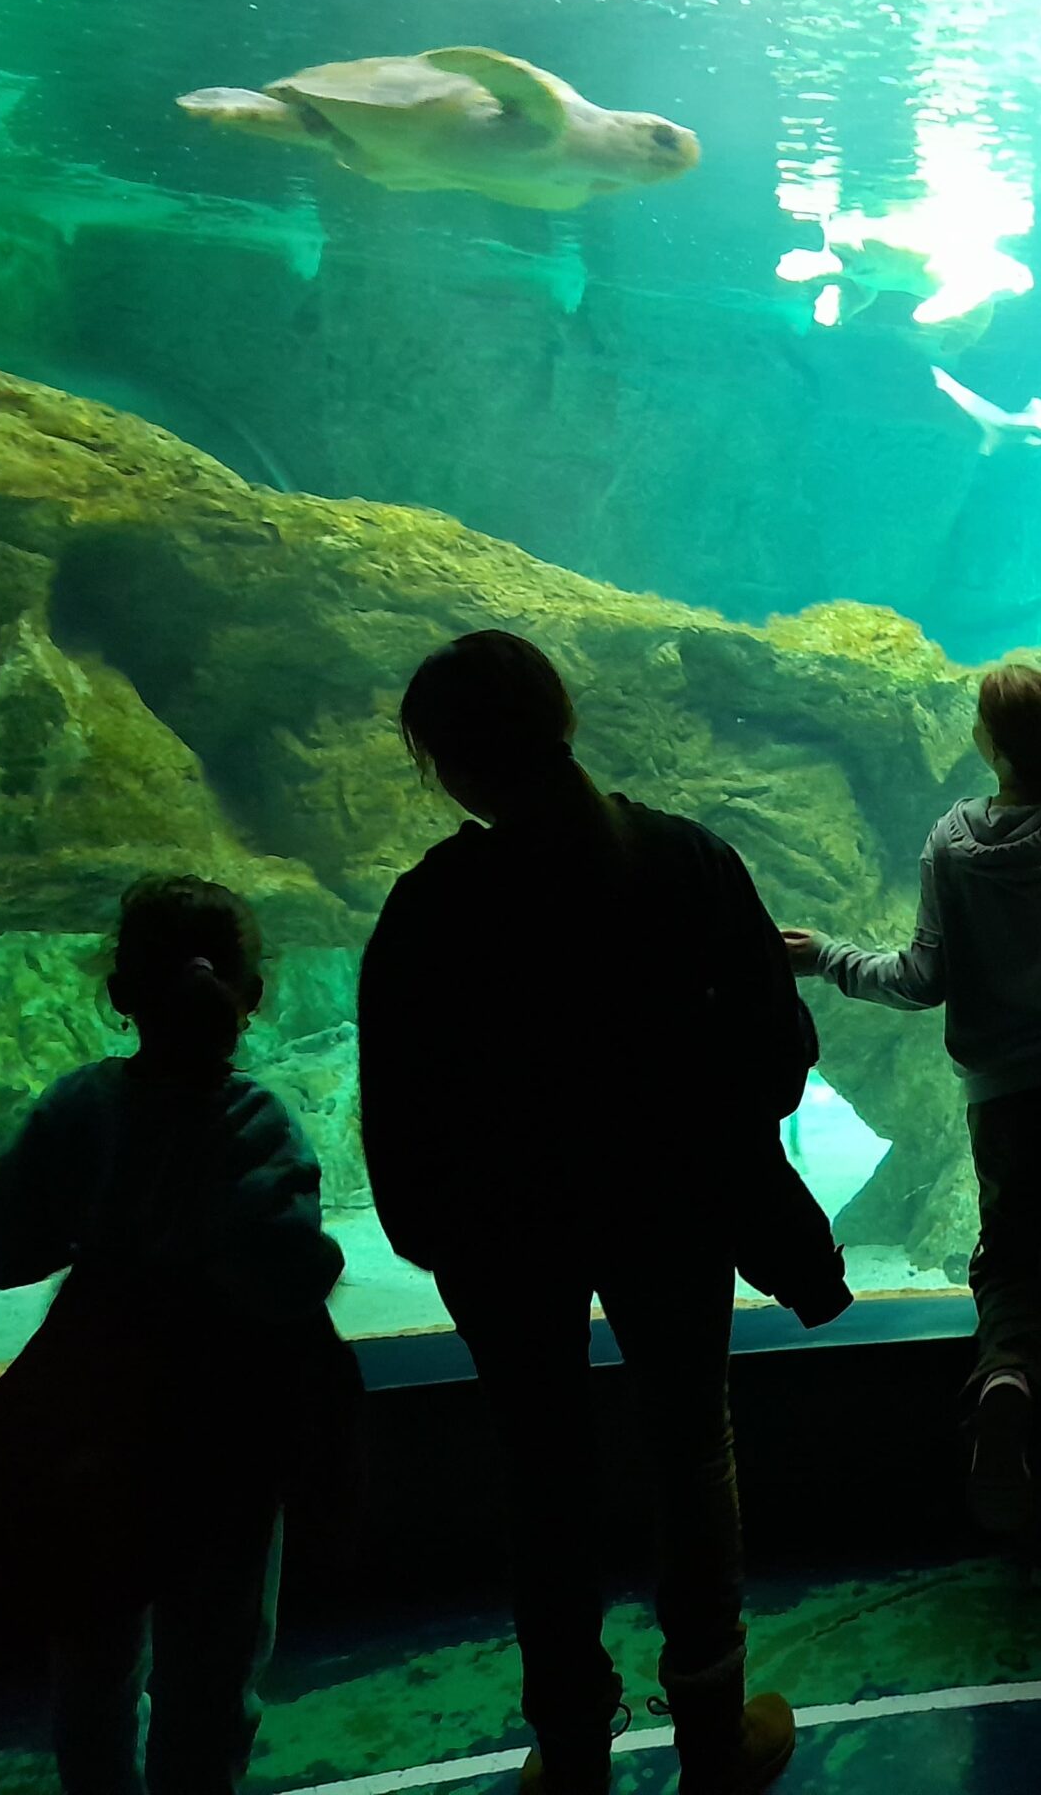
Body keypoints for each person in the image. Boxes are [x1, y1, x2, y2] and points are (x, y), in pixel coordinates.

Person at [361, 631, 846, 1795]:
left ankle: (571, 1751)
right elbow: (778, 1055)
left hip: (502, 1233)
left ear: (446, 765)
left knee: (542, 1475)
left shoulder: (433, 905)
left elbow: (400, 1104)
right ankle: (711, 1734)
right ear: (564, 717)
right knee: (690, 1449)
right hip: (669, 1210)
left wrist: (434, 1232)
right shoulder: (686, 860)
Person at [0, 876, 350, 1795]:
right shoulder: (259, 1122)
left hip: (89, 1432)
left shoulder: (75, 1107)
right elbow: (287, 1273)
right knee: (212, 1669)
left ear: (119, 993)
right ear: (254, 996)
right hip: (224, 1437)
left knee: (91, 1657)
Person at [785, 664, 1041, 1585]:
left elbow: (920, 979)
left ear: (988, 744)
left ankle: (1007, 1378)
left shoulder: (951, 841)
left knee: (1009, 1263)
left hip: (999, 1099)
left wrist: (826, 956)